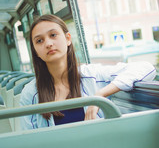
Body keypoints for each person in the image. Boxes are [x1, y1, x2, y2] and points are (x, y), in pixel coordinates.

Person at [20, 14, 156, 130]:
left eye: (53, 35)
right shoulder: (31, 93)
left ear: (68, 39)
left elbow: (146, 68)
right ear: (35, 51)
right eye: (39, 41)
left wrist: (99, 96)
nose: (48, 43)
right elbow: (31, 142)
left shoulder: (92, 75)